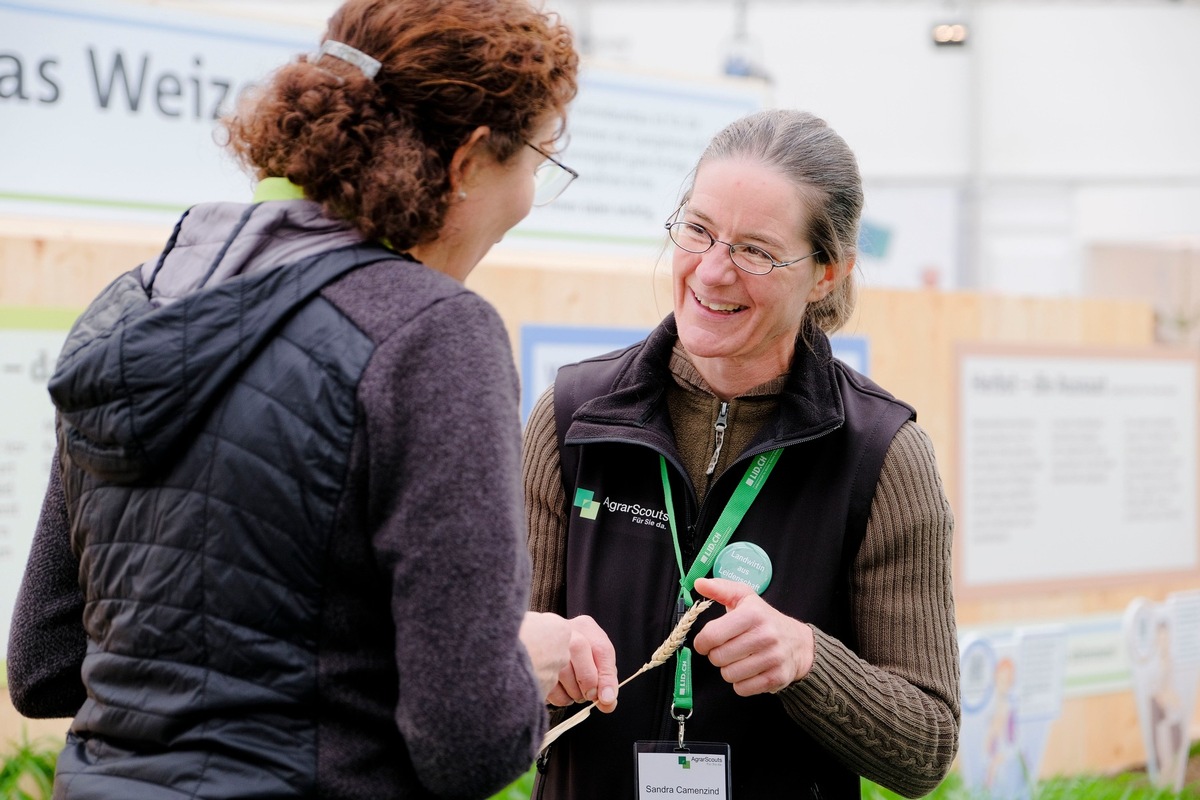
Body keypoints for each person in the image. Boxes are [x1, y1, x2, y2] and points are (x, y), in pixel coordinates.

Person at [7, 1, 579, 798]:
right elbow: (469, 744)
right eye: (540, 160)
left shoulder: (132, 305)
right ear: (470, 159)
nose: (529, 197)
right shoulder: (432, 334)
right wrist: (521, 658)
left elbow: (45, 667)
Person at [523, 108, 960, 799]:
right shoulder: (573, 418)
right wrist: (539, 657)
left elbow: (926, 747)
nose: (713, 272)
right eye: (697, 230)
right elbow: (491, 665)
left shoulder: (881, 455)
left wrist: (809, 660)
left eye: (755, 250)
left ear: (826, 273)